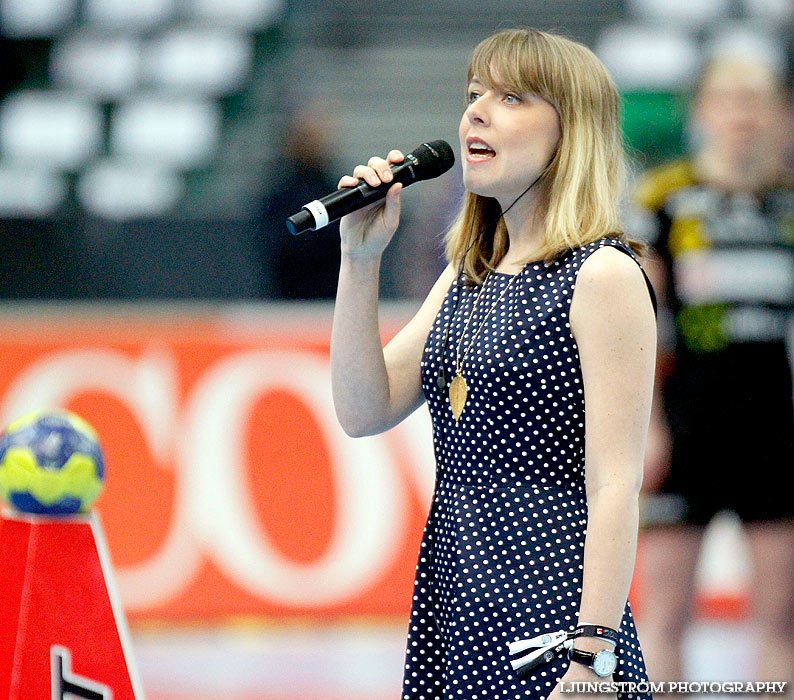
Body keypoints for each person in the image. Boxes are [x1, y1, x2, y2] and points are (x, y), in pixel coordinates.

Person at [330, 28, 658, 700]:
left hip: (552, 611)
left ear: (572, 133)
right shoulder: (468, 272)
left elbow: (616, 485)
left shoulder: (601, 276)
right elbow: (363, 410)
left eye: (511, 98)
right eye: (474, 94)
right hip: (459, 602)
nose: (475, 111)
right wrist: (359, 261)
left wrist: (592, 656)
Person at [634, 54, 794, 685]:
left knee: (781, 618)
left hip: (775, 429)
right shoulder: (663, 198)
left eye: (755, 101)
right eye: (727, 100)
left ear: (781, 114)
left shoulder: (788, 204)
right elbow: (641, 329)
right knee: (667, 614)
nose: (742, 117)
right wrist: (649, 428)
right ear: (702, 112)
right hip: (687, 424)